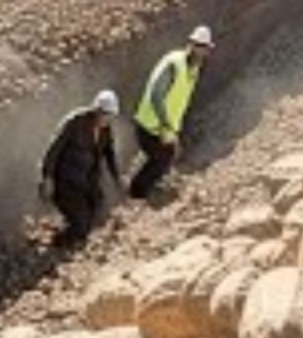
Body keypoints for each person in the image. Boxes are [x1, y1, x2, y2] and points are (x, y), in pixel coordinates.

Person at [129, 25, 216, 199]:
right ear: (190, 44)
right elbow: (156, 95)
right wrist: (165, 124)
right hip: (150, 125)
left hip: (164, 126)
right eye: (198, 46)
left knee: (166, 155)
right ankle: (137, 193)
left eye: (204, 48)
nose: (201, 51)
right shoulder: (174, 64)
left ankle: (144, 185)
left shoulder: (194, 68)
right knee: (162, 157)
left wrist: (172, 127)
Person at [40, 89, 123, 246]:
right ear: (96, 110)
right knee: (81, 226)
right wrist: (47, 177)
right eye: (103, 114)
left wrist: (117, 178)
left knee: (97, 207)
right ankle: (58, 242)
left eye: (110, 116)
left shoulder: (105, 130)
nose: (106, 119)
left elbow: (109, 153)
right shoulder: (75, 123)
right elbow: (53, 150)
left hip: (86, 180)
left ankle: (74, 230)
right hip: (65, 181)